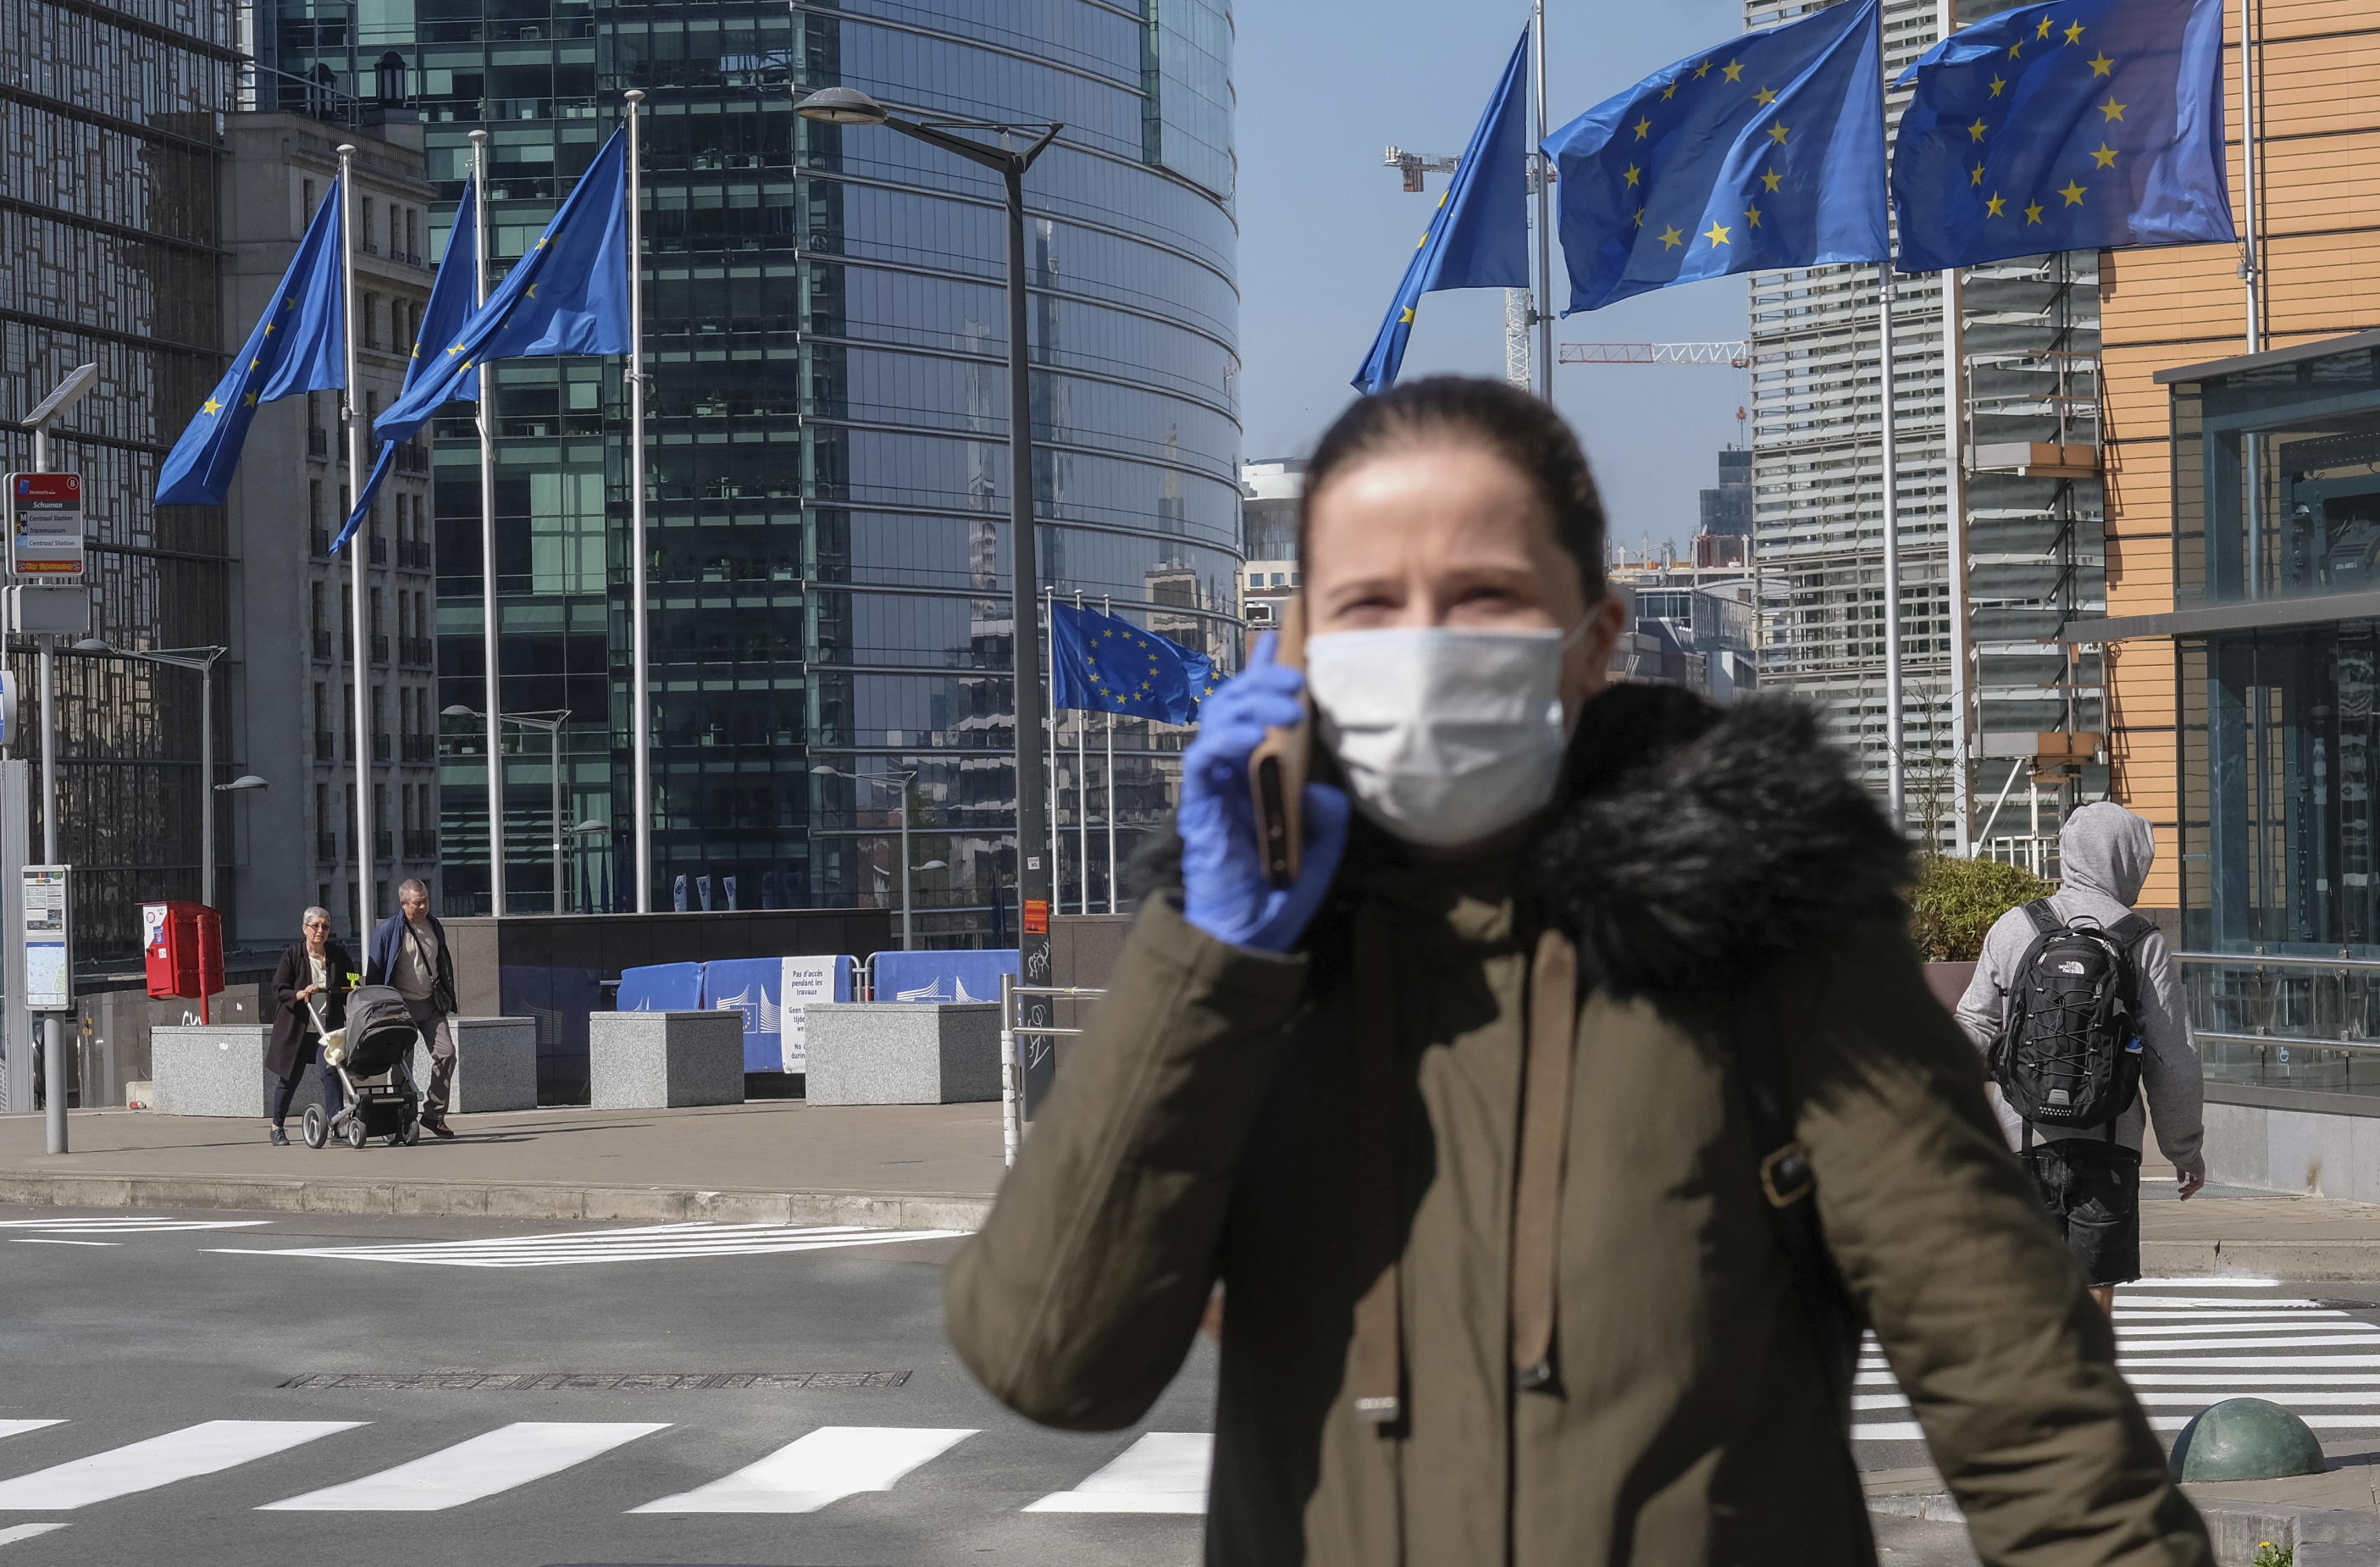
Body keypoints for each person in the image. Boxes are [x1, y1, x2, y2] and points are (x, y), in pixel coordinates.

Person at [944, 378, 2206, 1565]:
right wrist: (1207, 946)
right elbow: (1052, 1357)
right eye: (1370, 604)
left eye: (1485, 596)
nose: (1425, 643)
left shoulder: (1772, 942)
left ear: (1596, 639)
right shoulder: (1245, 979)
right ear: (1293, 652)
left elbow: (2031, 1416)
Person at [1957, 803, 2206, 1312]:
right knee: (2094, 1287)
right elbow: (2171, 1057)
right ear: (2126, 861)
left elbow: (1975, 1024)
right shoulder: (2141, 940)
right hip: (2109, 1144)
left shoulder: (2016, 926)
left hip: (2020, 1137)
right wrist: (2184, 1149)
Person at [365, 878, 457, 1137]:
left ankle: (434, 1114)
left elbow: (442, 962)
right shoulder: (388, 931)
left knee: (447, 1053)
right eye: (418, 902)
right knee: (401, 1064)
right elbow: (375, 972)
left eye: (426, 901)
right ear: (403, 903)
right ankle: (401, 1119)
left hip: (431, 1004)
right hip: (399, 1006)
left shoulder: (434, 926)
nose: (423, 907)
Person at [265, 906, 354, 1145]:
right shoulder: (293, 955)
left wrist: (354, 990)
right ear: (305, 928)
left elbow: (351, 982)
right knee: (289, 1078)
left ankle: (337, 1124)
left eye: (325, 926)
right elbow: (279, 989)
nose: (320, 931)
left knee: (331, 1072)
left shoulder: (338, 955)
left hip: (326, 1029)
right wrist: (299, 993)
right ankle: (277, 1127)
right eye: (315, 926)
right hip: (297, 1029)